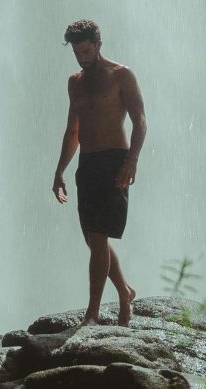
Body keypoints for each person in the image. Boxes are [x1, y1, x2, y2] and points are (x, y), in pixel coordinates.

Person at [51, 18, 145, 325]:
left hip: (114, 162)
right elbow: (72, 131)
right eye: (78, 52)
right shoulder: (75, 82)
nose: (82, 57)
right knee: (94, 240)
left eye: (87, 50)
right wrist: (60, 170)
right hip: (87, 164)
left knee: (99, 236)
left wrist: (132, 161)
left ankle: (92, 312)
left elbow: (139, 120)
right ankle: (125, 292)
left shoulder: (121, 75)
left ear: (98, 45)